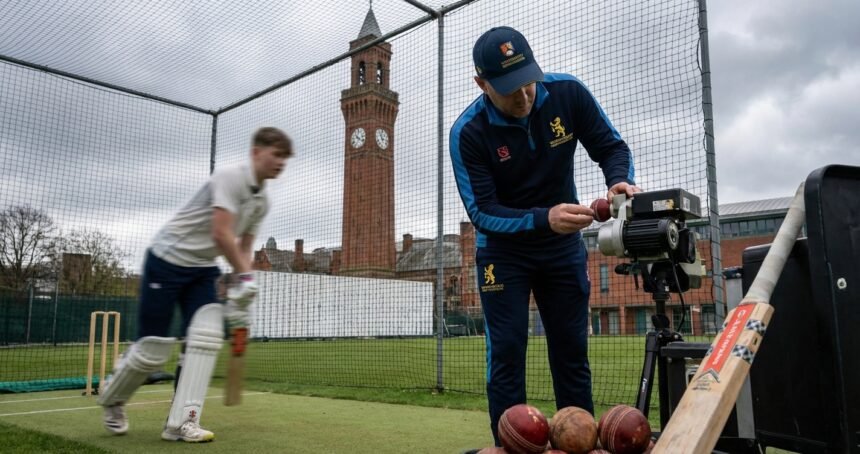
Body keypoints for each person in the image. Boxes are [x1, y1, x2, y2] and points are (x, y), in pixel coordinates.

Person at [449, 27, 640, 447]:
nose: (524, 97)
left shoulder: (568, 93)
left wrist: (619, 181)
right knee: (508, 353)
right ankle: (509, 446)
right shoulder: (468, 132)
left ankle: (580, 444)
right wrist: (543, 218)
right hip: (503, 251)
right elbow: (482, 212)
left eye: (528, 82)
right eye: (509, 90)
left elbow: (611, 147)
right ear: (482, 84)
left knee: (571, 352)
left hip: (562, 248)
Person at [96, 126, 294, 442]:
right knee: (152, 350)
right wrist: (245, 278)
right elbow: (221, 233)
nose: (281, 162)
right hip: (167, 259)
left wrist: (240, 289)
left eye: (286, 157)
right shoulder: (230, 178)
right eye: (276, 154)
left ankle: (183, 422)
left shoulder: (262, 202)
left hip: (203, 268)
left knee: (206, 338)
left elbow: (243, 249)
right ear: (256, 152)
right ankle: (113, 399)